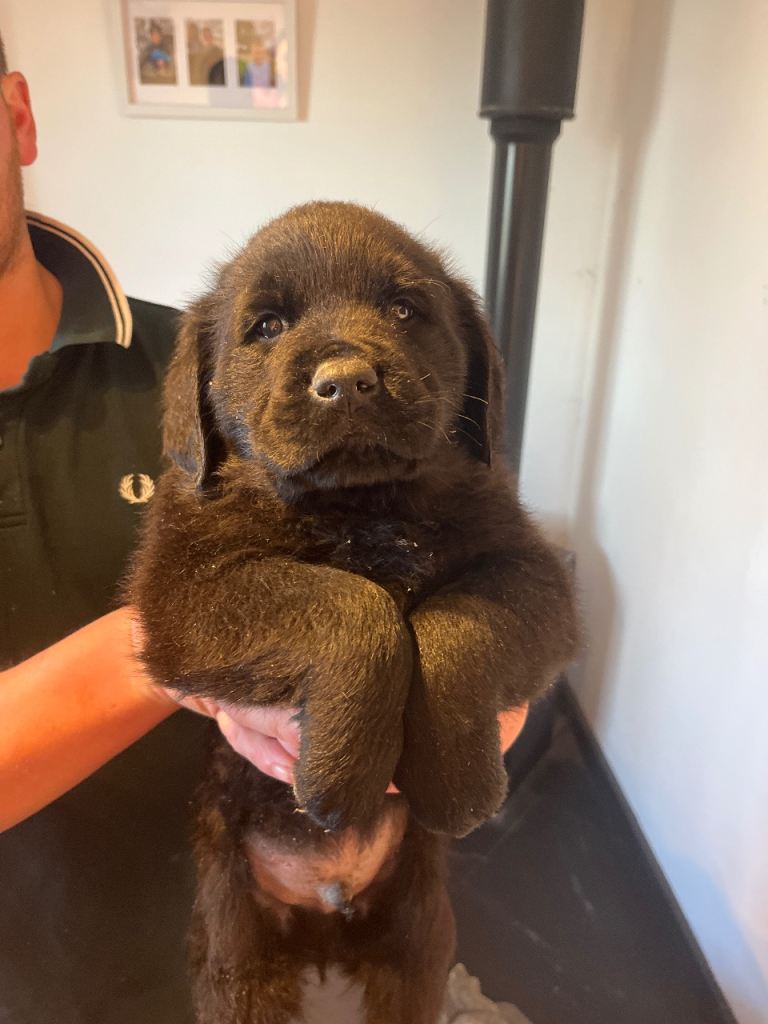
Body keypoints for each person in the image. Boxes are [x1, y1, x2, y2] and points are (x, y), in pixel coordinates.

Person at [0, 33, 528, 1024]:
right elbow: (193, 613)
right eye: (277, 326)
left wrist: (470, 687)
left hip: (353, 910)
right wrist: (176, 656)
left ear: (18, 116)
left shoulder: (200, 353)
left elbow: (487, 622)